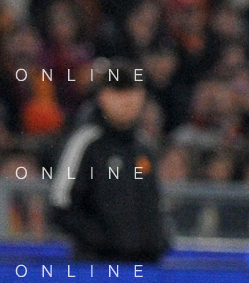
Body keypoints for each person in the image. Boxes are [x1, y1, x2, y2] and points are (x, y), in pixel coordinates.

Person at [49, 57, 171, 263]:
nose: (127, 100)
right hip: (98, 268)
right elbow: (60, 206)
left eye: (133, 91)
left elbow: (155, 204)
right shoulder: (86, 143)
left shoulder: (144, 147)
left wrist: (158, 241)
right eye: (119, 91)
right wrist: (104, 242)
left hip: (145, 267)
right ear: (102, 96)